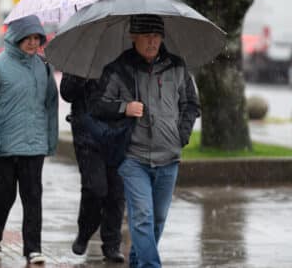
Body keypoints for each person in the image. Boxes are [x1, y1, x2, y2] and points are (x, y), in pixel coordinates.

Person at [91, 14, 200, 268]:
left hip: (169, 157)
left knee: (158, 219)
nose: (152, 42)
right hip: (132, 157)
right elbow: (97, 105)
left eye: (156, 36)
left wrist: (180, 136)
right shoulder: (118, 69)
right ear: (134, 37)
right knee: (142, 218)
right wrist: (124, 108)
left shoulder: (177, 66)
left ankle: (138, 263)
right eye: (146, 36)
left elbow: (191, 104)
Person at [0, 14, 58, 264]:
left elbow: (51, 105)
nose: (33, 43)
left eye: (37, 38)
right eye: (28, 38)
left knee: (33, 196)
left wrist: (50, 140)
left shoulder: (44, 67)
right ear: (16, 37)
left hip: (33, 146)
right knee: (5, 194)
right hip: (1, 148)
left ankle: (33, 248)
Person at [60, 73, 125, 262]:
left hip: (118, 136)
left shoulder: (125, 59)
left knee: (116, 193)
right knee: (95, 189)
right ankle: (85, 231)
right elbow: (67, 93)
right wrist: (82, 76)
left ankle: (112, 244)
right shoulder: (82, 57)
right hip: (88, 137)